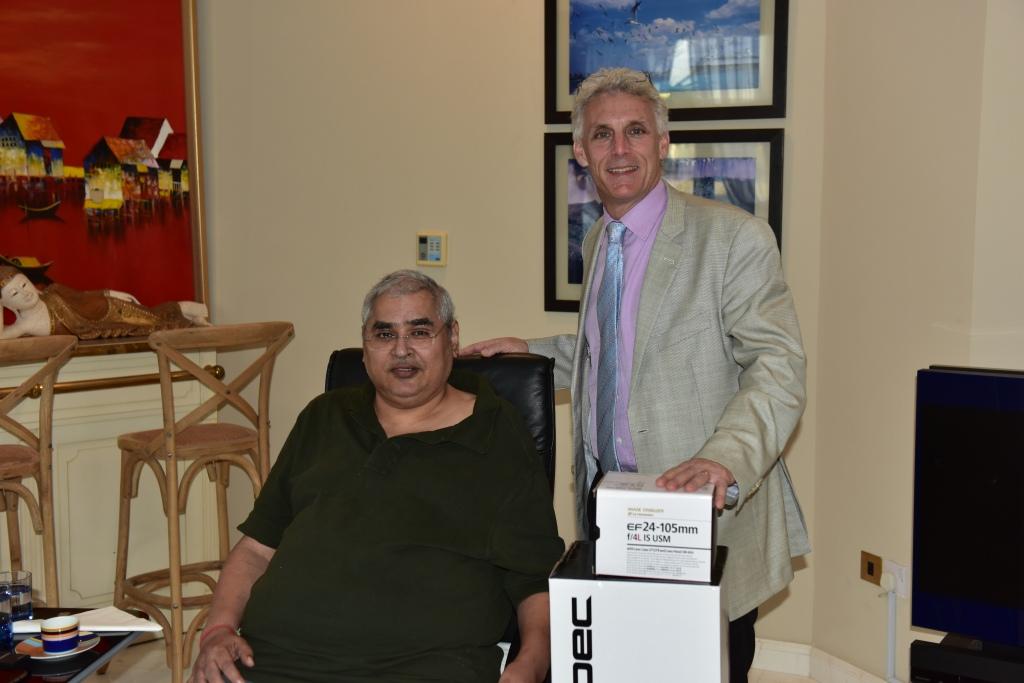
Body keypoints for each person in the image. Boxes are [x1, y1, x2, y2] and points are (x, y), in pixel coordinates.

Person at [462, 67, 809, 682]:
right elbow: (618, 352)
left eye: (636, 131)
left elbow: (777, 365)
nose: (619, 149)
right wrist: (532, 351)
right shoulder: (602, 237)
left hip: (700, 515)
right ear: (581, 152)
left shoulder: (733, 238)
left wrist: (724, 458)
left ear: (663, 142)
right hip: (613, 511)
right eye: (602, 134)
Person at [189, 270, 564, 683]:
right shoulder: (324, 416)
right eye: (384, 334)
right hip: (273, 661)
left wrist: (530, 665)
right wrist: (218, 630)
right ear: (365, 345)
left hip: (423, 667)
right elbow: (257, 549)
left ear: (452, 338)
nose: (401, 350)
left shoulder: (496, 432)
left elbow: (535, 579)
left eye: (419, 332)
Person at [0, 265, 209, 339]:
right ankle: (192, 313)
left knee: (154, 319)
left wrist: (112, 293)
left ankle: (192, 309)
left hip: (109, 308)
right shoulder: (25, 325)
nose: (25, 293)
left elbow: (84, 296)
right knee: (154, 323)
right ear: (8, 304)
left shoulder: (53, 292)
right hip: (102, 327)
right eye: (14, 294)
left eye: (24, 285)